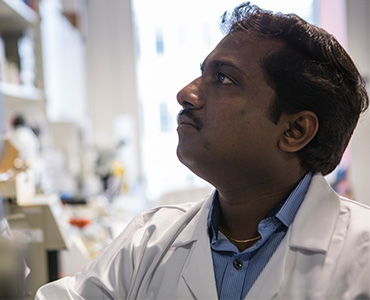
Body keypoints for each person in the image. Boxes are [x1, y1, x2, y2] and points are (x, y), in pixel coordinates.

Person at [36, 3, 370, 299]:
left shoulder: (362, 255)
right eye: (202, 73)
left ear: (294, 131)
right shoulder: (148, 240)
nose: (185, 94)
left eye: (224, 79)